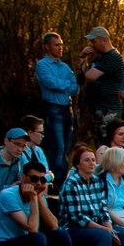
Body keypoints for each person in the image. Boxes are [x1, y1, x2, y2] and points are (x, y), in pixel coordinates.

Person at [56, 146, 124, 246]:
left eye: (93, 160)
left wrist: (109, 226)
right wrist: (105, 230)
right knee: (103, 235)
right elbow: (78, 217)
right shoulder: (71, 183)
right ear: (77, 164)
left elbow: (103, 209)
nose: (91, 163)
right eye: (86, 160)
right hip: (73, 228)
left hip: (95, 225)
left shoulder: (97, 181)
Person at [35, 32, 77, 178]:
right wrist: (65, 84)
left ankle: (63, 177)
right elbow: (49, 82)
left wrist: (62, 85)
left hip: (67, 108)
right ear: (47, 46)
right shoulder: (42, 65)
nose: (60, 48)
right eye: (56, 45)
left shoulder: (65, 67)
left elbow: (74, 87)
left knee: (66, 145)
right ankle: (56, 179)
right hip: (53, 108)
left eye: (61, 45)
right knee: (57, 145)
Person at [78, 27, 124, 145]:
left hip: (108, 109)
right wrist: (82, 58)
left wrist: (85, 75)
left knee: (106, 143)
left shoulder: (112, 57)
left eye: (94, 41)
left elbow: (89, 77)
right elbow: (86, 75)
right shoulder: (100, 58)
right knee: (98, 142)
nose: (92, 45)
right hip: (97, 107)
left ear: (104, 40)